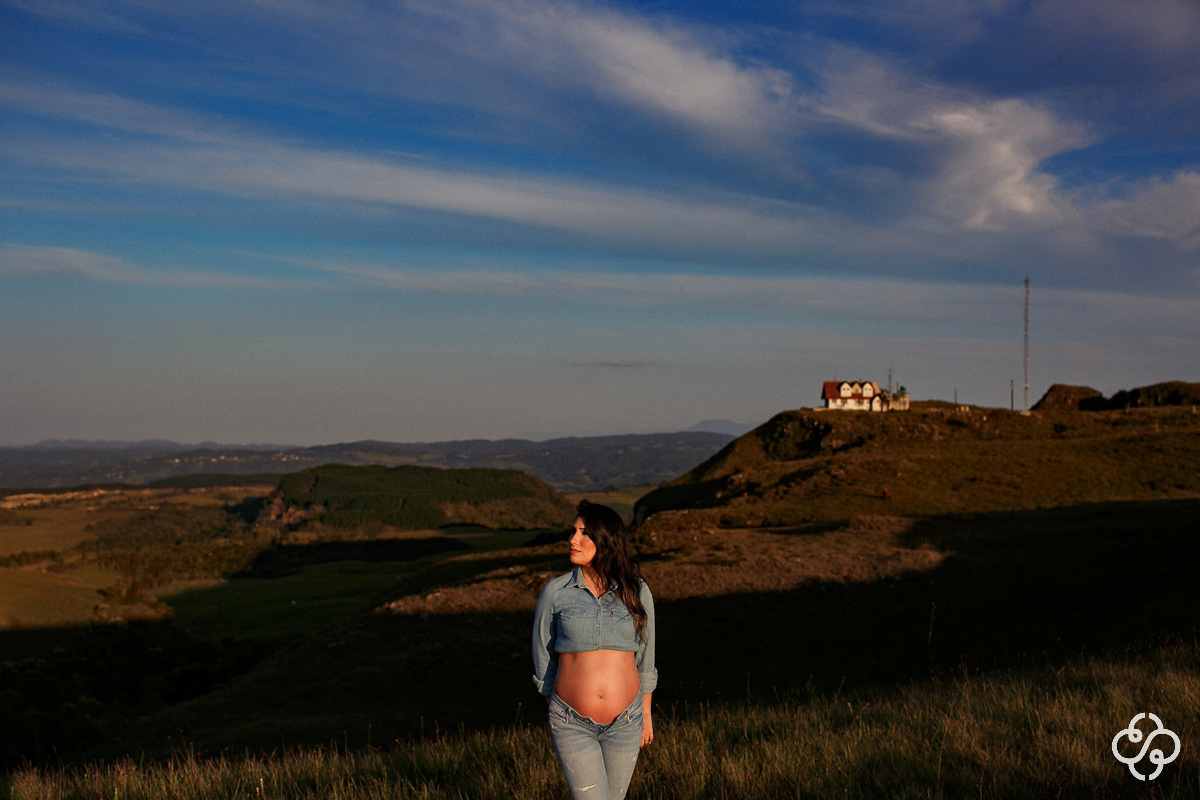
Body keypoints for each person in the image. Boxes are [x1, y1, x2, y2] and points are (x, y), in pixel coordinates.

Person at [532, 499, 657, 800]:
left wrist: (646, 714)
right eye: (573, 531)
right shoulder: (555, 592)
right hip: (571, 722)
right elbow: (542, 655)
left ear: (605, 540)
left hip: (627, 723)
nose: (572, 540)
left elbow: (646, 655)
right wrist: (556, 706)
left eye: (583, 533)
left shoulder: (636, 591)